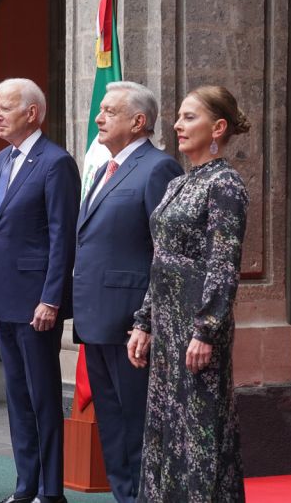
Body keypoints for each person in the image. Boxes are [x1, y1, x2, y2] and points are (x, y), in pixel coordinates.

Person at [127, 85, 251, 502]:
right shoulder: (178, 183)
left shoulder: (226, 184)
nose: (178, 125)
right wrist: (144, 322)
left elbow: (223, 263)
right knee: (165, 428)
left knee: (199, 435)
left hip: (197, 328)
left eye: (189, 117)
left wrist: (207, 330)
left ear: (218, 127)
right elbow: (160, 259)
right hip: (166, 327)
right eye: (178, 117)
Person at [72, 82, 183, 503]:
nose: (98, 118)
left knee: (136, 423)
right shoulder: (104, 169)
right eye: (100, 110)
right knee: (113, 425)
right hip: (97, 316)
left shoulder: (158, 168)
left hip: (131, 321)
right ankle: (125, 496)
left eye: (108, 111)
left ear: (138, 122)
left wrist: (149, 321)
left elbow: (166, 251)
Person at [0, 78, 80, 503]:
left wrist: (51, 298)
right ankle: (25, 486)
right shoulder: (0, 160)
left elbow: (63, 237)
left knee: (43, 398)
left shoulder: (55, 162)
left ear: (32, 113)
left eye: (6, 108)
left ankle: (51, 490)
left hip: (37, 301)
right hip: (2, 301)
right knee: (17, 398)